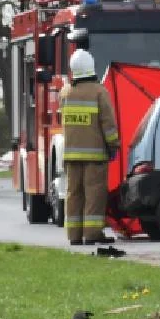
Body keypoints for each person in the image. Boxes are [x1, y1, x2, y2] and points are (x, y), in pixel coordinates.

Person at [60, 49, 121, 246]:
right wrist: (113, 145)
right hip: (94, 155)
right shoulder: (99, 91)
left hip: (70, 155)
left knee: (73, 194)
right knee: (94, 193)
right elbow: (108, 123)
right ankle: (92, 234)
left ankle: (74, 235)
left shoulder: (66, 92)